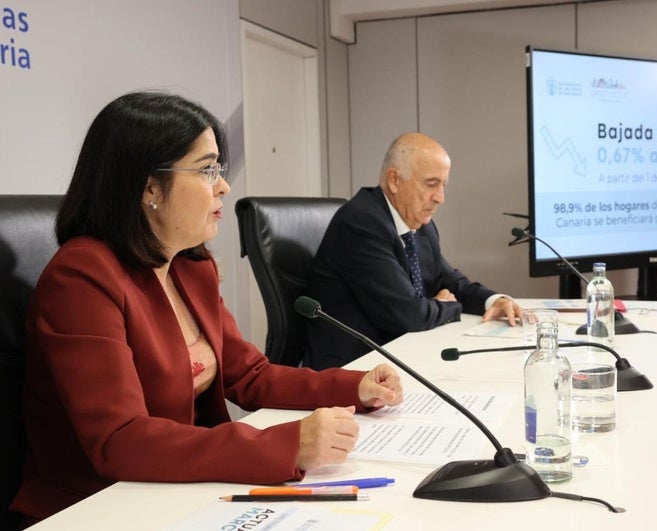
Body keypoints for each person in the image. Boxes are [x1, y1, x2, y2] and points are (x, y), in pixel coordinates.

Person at [10, 92, 403, 525]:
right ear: (149, 187)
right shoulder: (82, 278)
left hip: (177, 488)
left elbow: (249, 376)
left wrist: (355, 388)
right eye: (206, 170)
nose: (223, 185)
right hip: (95, 506)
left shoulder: (191, 266)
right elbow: (119, 439)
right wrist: (285, 445)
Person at [304, 132, 522, 370]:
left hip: (399, 355)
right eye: (431, 184)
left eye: (443, 185)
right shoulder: (361, 223)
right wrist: (450, 306)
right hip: (353, 367)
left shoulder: (419, 223)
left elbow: (449, 281)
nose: (440, 198)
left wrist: (493, 300)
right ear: (395, 180)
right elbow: (409, 315)